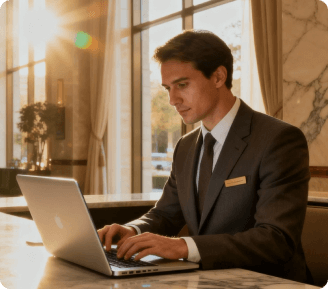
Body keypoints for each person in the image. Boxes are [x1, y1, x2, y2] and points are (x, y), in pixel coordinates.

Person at [98, 30, 312, 284]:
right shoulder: (185, 147)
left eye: (182, 85)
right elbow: (165, 214)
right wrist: (133, 229)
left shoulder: (278, 139)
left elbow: (276, 240)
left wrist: (182, 247)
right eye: (168, 88)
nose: (172, 100)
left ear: (219, 76)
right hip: (206, 281)